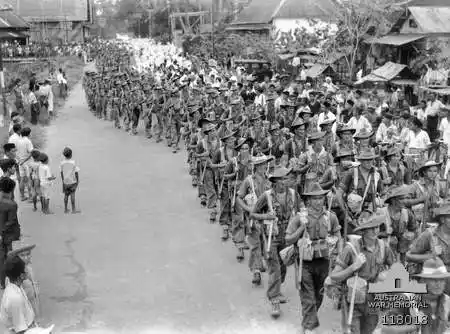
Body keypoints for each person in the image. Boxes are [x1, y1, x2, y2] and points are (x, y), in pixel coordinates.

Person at [285, 182, 341, 334]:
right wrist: (302, 228)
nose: (318, 201)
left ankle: (307, 320)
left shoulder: (330, 217)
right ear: (308, 200)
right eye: (314, 199)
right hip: (305, 263)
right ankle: (309, 327)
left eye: (320, 198)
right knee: (308, 296)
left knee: (319, 296)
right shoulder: (299, 218)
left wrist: (336, 247)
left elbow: (337, 234)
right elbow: (288, 239)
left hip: (324, 262)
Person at [331, 214, 394, 334]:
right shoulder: (350, 249)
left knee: (369, 329)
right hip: (353, 299)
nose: (375, 231)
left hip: (373, 299)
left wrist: (385, 275)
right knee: (353, 331)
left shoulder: (383, 247)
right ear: (363, 231)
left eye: (377, 227)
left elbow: (395, 268)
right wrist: (353, 267)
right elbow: (334, 276)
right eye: (371, 228)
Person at [251, 167, 300, 318]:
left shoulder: (293, 194)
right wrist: (267, 216)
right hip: (272, 235)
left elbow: (300, 210)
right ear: (275, 182)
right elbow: (253, 213)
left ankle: (276, 288)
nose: (285, 182)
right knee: (275, 268)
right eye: (282, 180)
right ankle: (274, 300)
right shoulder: (266, 196)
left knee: (284, 265)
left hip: (288, 235)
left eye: (286, 179)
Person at [6, 241, 39, 317]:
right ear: (16, 258)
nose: (26, 257)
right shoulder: (13, 275)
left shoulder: (29, 269)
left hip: (32, 308)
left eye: (28, 254)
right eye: (22, 255)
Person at [0, 177, 20, 290]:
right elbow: (11, 222)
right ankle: (8, 282)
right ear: (11, 190)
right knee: (8, 258)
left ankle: (2, 283)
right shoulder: (11, 204)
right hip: (6, 236)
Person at [60, 147, 80, 214]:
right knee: (72, 195)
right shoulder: (73, 163)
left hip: (66, 182)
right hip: (72, 182)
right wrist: (77, 181)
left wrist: (63, 181)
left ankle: (65, 209)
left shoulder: (62, 163)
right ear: (71, 155)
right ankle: (73, 210)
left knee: (66, 195)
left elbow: (61, 172)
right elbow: (76, 172)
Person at [16, 127, 33, 202]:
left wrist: (20, 161)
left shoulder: (18, 141)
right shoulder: (28, 141)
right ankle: (30, 197)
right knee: (29, 179)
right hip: (27, 163)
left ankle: (22, 196)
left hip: (20, 163)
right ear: (28, 134)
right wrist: (24, 161)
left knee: (22, 179)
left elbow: (16, 153)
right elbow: (31, 153)